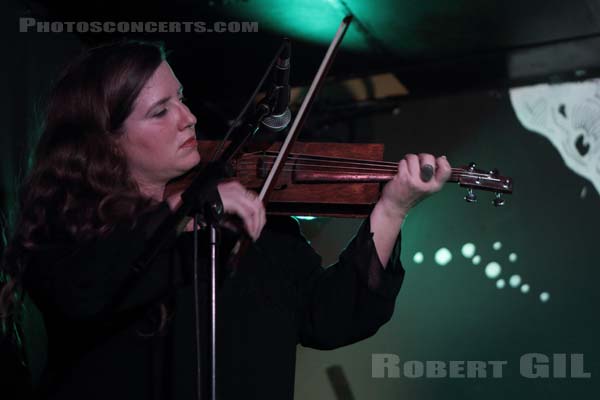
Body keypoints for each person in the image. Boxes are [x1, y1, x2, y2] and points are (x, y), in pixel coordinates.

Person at [0, 40, 451, 400]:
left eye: (180, 98)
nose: (189, 118)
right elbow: (82, 291)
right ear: (107, 142)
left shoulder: (252, 220)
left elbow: (330, 318)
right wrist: (182, 213)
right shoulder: (73, 232)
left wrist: (392, 209)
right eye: (161, 111)